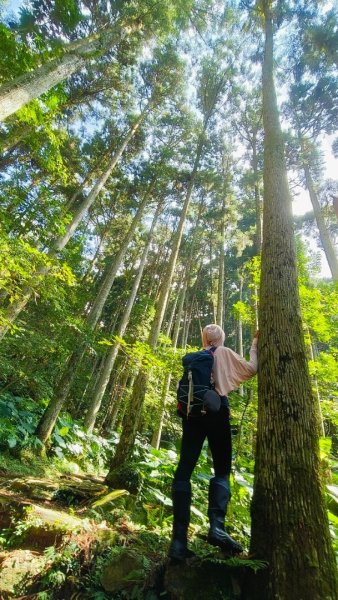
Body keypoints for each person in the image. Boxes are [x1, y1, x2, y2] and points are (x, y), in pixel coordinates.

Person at [169, 323, 258, 561]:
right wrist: (254, 346)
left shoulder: (196, 359)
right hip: (217, 410)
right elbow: (251, 369)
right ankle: (217, 528)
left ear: (204, 338)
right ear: (221, 337)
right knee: (221, 469)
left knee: (184, 470)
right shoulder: (224, 352)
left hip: (193, 413)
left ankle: (178, 543)